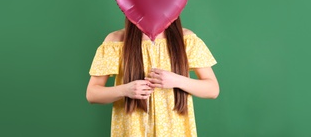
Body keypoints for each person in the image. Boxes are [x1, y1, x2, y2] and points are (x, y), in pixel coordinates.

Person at [86, 16, 220, 137]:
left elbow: (212, 89)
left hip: (175, 131)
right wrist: (125, 90)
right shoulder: (116, 41)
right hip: (132, 131)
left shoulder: (186, 39)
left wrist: (177, 80)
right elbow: (92, 94)